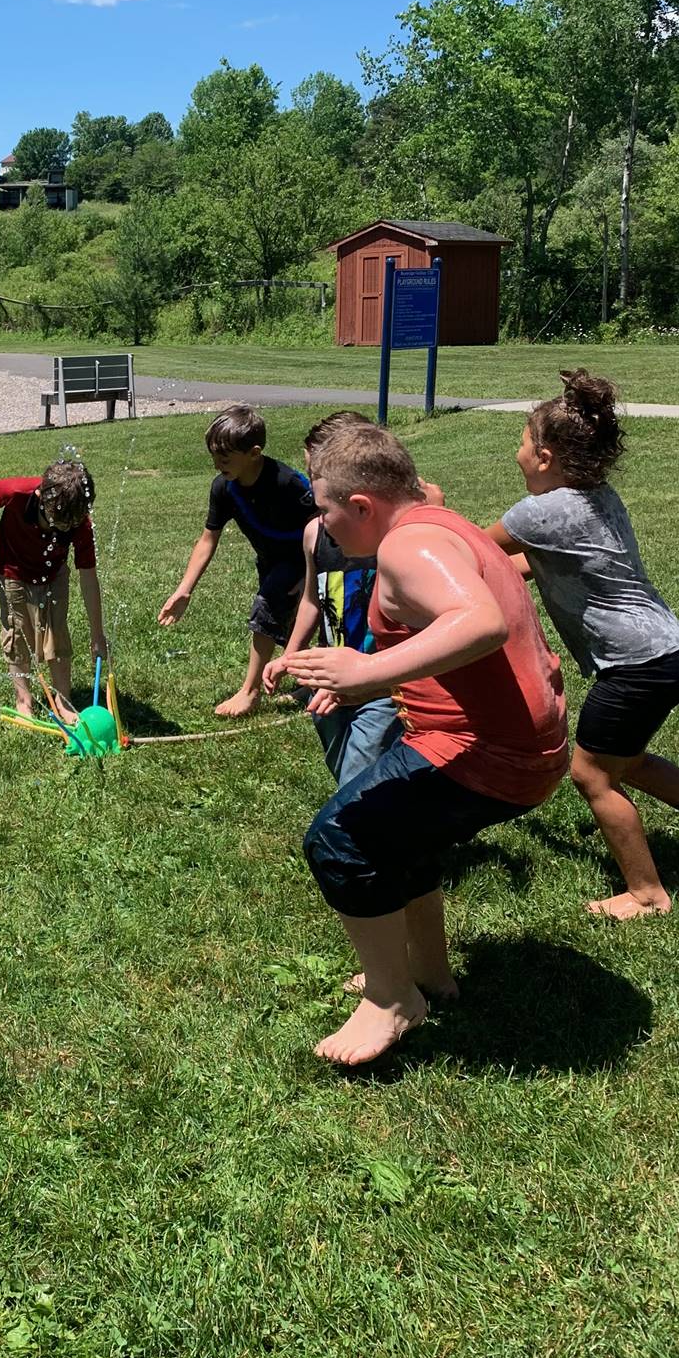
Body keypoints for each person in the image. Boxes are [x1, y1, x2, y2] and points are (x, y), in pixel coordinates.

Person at [288, 423, 568, 1067]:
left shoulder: (406, 549)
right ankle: (430, 973)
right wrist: (356, 680)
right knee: (398, 832)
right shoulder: (439, 520)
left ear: (362, 506)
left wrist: (366, 673)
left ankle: (391, 999)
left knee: (339, 838)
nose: (323, 529)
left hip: (495, 755)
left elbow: (481, 622)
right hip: (525, 746)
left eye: (325, 512)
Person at [487, 369, 679, 920]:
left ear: (543, 455)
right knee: (627, 762)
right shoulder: (591, 496)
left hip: (637, 663)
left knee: (592, 774)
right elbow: (529, 566)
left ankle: (647, 894)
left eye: (520, 442)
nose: (515, 454)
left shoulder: (540, 512)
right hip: (669, 651)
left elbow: (471, 553)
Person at [262, 409, 441, 783]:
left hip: (382, 679)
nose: (314, 490)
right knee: (343, 763)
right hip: (329, 676)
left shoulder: (391, 535)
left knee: (360, 780)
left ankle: (361, 831)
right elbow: (313, 599)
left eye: (319, 475)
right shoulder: (315, 533)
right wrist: (292, 656)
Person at [158, 405, 315, 717]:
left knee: (265, 610)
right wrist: (184, 589)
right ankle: (310, 683)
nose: (217, 465)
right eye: (214, 456)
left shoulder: (287, 483)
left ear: (254, 453)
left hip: (303, 559)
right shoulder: (225, 487)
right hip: (270, 560)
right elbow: (208, 539)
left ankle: (250, 691)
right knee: (288, 623)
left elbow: (322, 530)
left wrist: (308, 579)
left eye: (225, 458)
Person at [0, 457, 106, 722]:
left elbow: (89, 579)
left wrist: (97, 635)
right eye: (56, 523)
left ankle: (63, 700)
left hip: (53, 572)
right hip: (13, 569)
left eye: (67, 526)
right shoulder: (18, 492)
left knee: (57, 630)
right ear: (39, 497)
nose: (61, 529)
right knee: (17, 630)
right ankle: (23, 700)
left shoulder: (79, 522)